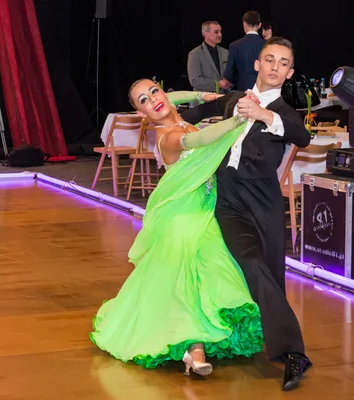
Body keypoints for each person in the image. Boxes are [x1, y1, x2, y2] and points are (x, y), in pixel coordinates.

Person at [90, 81, 265, 377]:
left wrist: (205, 96)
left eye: (154, 91)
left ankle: (193, 349)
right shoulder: (168, 137)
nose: (154, 100)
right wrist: (240, 117)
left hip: (205, 212)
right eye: (143, 101)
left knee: (208, 275)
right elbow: (201, 140)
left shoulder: (173, 113)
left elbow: (173, 99)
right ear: (141, 113)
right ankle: (196, 352)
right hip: (182, 218)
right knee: (187, 283)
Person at [180, 37, 312, 391]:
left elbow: (303, 136)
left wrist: (264, 115)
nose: (274, 66)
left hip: (264, 199)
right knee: (250, 262)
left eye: (283, 62)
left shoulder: (284, 111)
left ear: (289, 72)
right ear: (257, 64)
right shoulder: (235, 99)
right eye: (269, 59)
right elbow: (190, 114)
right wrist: (169, 120)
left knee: (270, 273)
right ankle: (292, 353)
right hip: (230, 198)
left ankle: (275, 344)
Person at [223, 11, 265, 91]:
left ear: (244, 24)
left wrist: (238, 80)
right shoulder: (267, 45)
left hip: (243, 89)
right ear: (259, 25)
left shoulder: (234, 45)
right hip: (263, 89)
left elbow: (228, 74)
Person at [187, 21, 230, 93]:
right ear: (205, 33)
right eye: (216, 32)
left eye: (220, 31)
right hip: (204, 100)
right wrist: (218, 84)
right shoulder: (195, 54)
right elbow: (195, 80)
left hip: (224, 99)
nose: (220, 34)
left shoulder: (225, 52)